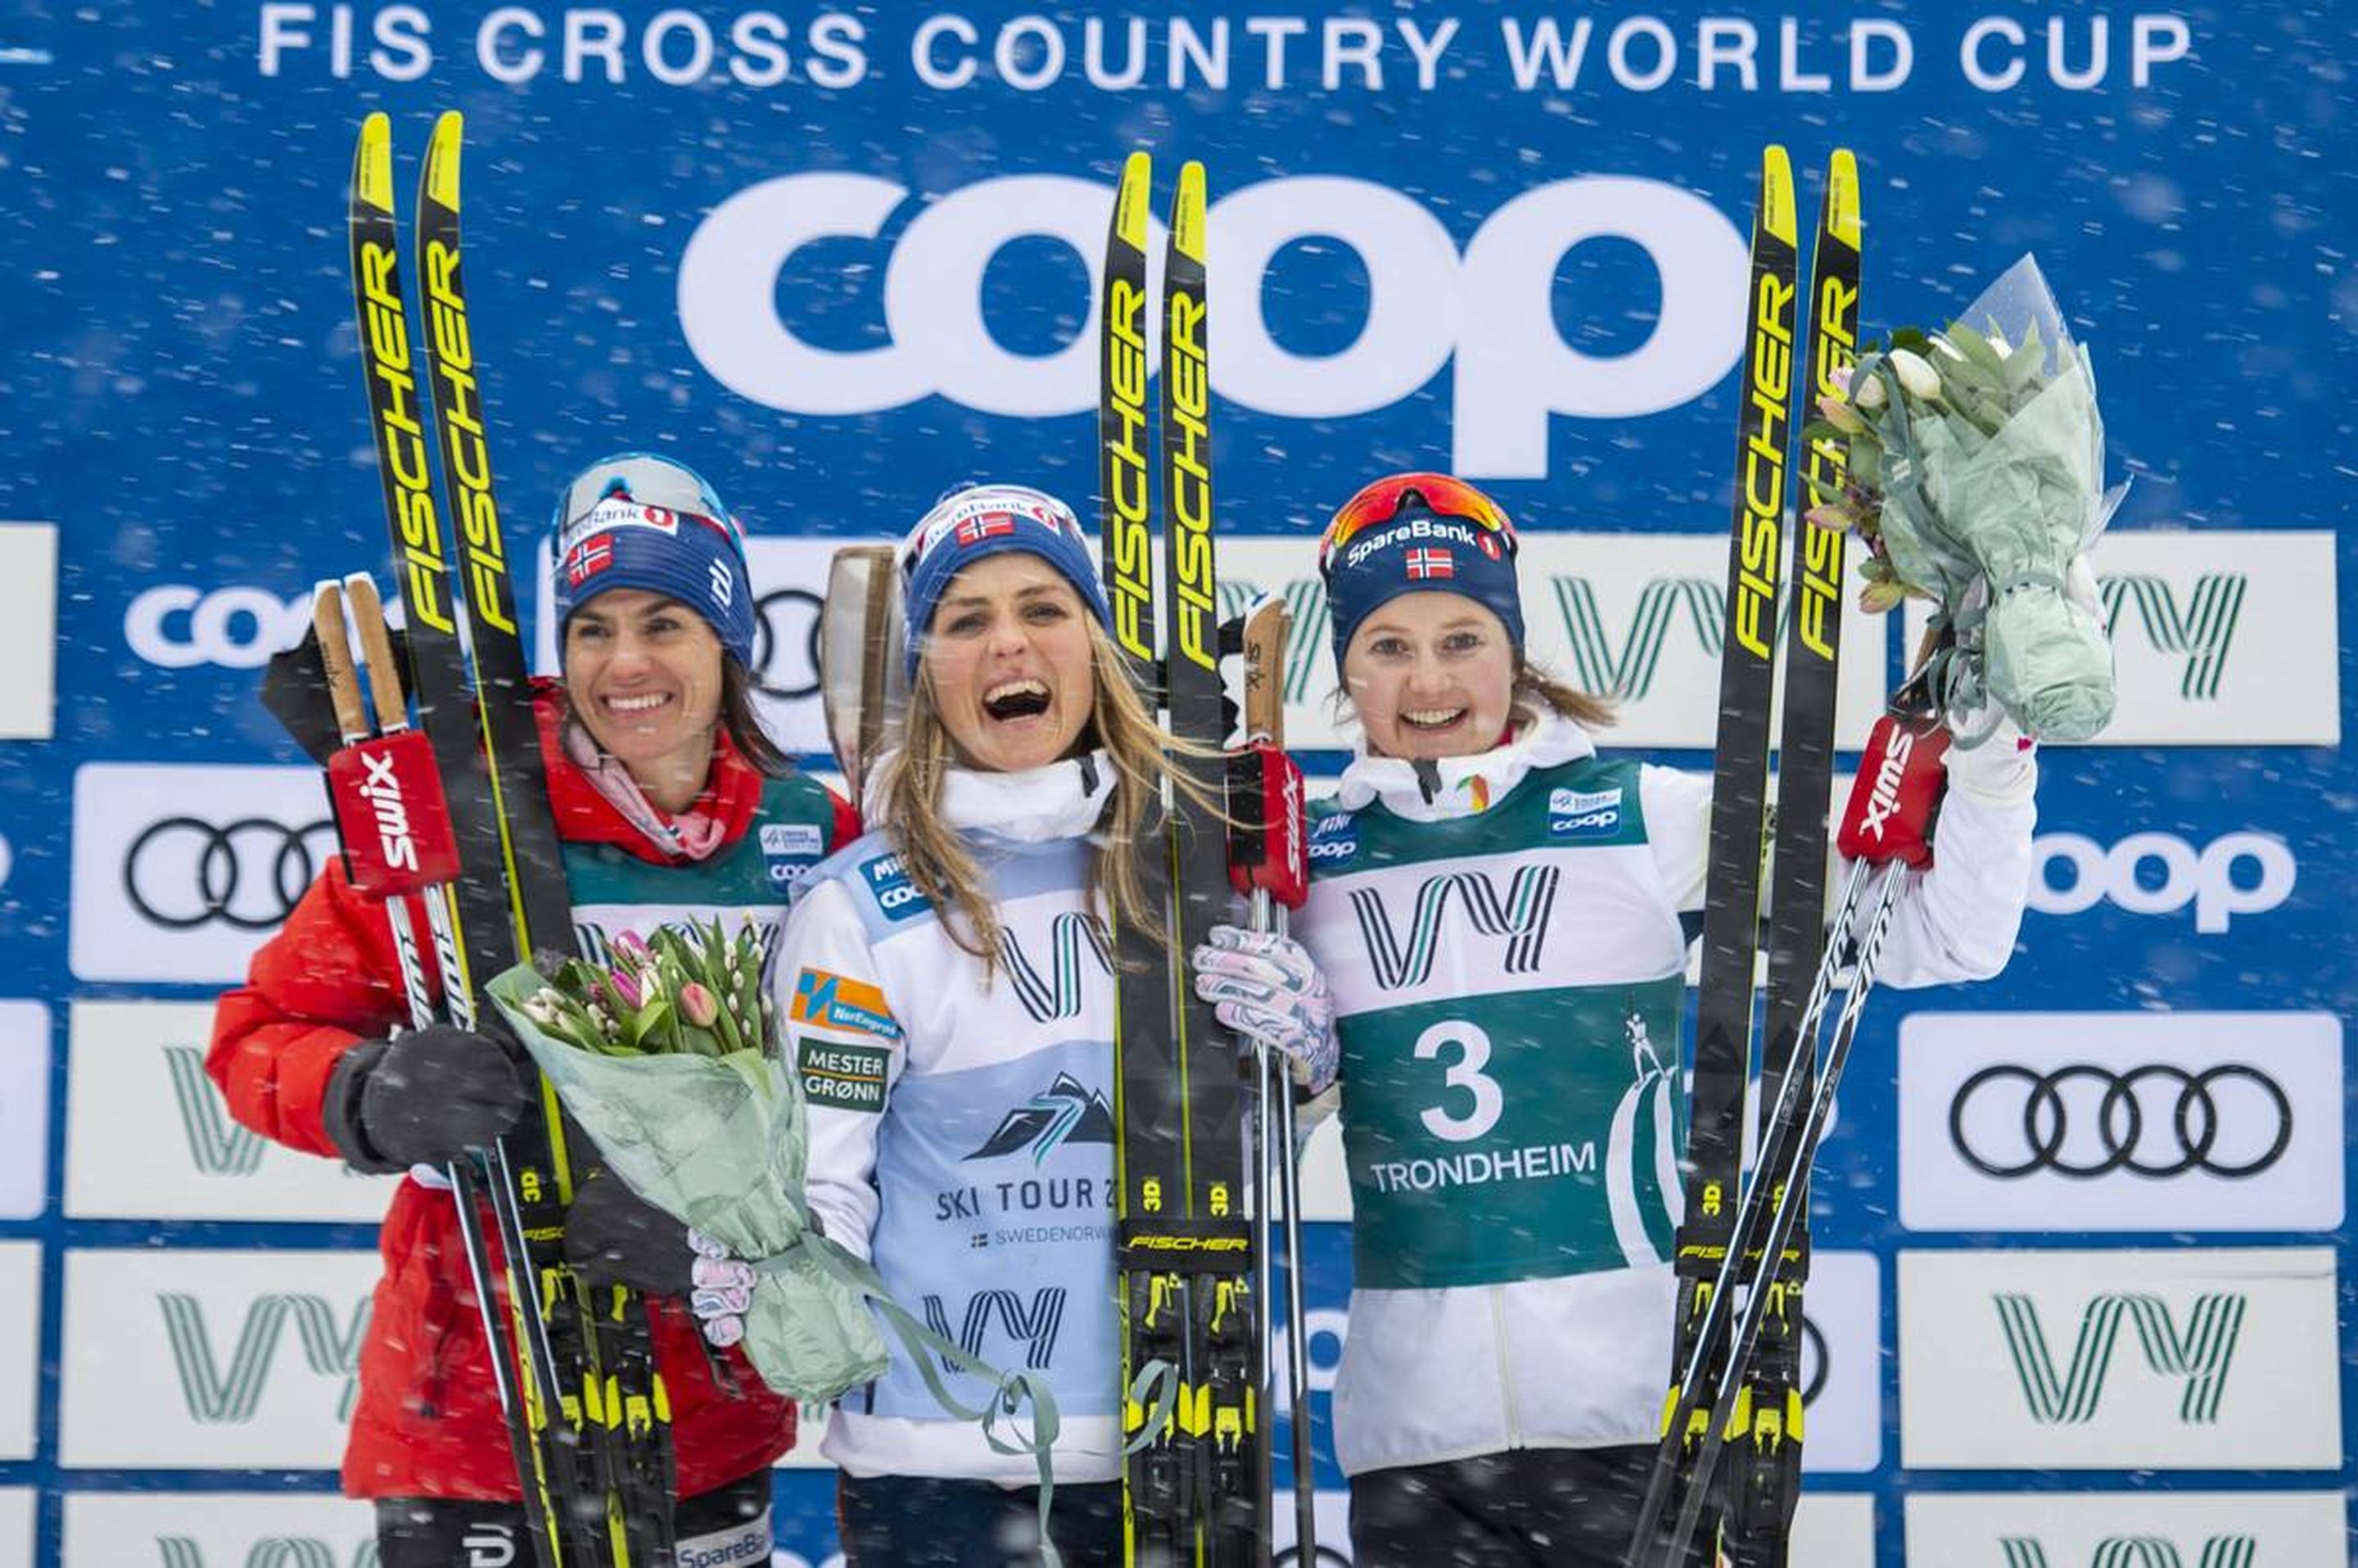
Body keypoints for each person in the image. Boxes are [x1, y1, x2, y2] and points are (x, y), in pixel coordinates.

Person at [1190, 473, 2039, 1566]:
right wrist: (1293, 1082)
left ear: (1515, 646)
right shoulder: (1302, 868)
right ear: (1346, 668)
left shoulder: (1643, 817)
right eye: (1389, 646)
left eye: (1462, 638)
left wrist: (1990, 753)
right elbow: (1235, 1170)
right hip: (1414, 1447)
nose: (1430, 679)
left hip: (1639, 1423)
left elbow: (1936, 934)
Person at [206, 454, 857, 1566]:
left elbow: (866, 1106)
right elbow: (256, 1041)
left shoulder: (810, 839)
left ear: (728, 641)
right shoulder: (462, 825)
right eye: (594, 628)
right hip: (476, 1414)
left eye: (666, 622)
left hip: (705, 1415)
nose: (628, 663)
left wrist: (721, 1233)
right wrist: (368, 1095)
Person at [759, 482, 1203, 1566]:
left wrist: (1309, 1067)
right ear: (926, 676)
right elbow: (823, 1174)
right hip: (932, 1460)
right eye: (967, 620)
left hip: (1166, 1435)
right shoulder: (858, 907)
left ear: (1095, 646)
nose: (1010, 643)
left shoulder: (1187, 872)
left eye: (1044, 608)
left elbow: (1245, 1150)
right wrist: (783, 1271)